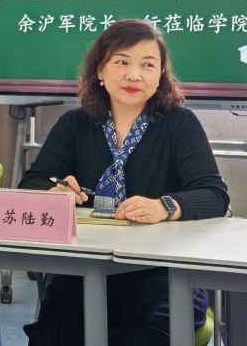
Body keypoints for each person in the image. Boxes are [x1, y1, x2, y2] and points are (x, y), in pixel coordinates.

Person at [19, 19, 230, 346]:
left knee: (146, 331)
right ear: (100, 70)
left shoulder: (180, 123)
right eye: (121, 62)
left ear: (160, 76)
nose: (134, 75)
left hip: (164, 270)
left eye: (148, 65)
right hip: (87, 266)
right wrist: (53, 192)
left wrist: (165, 207)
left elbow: (214, 194)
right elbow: (32, 183)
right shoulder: (75, 123)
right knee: (56, 329)